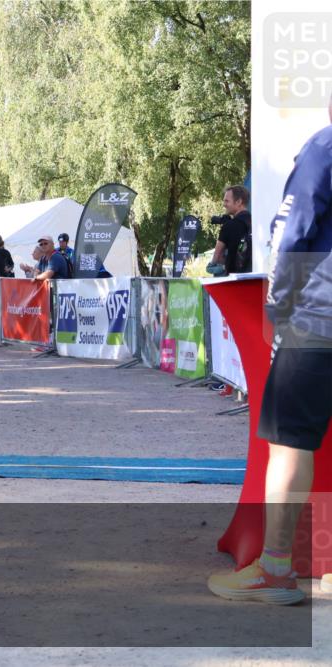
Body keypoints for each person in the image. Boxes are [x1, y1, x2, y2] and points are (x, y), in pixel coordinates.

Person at [207, 105, 332, 606]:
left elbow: (292, 230)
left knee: (288, 442)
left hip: (319, 316)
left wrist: (277, 306)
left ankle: (277, 569)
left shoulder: (325, 145)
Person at [208, 185, 252, 276]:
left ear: (239, 202)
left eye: (227, 201)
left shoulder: (229, 226)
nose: (224, 204)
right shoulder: (255, 223)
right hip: (253, 279)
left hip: (233, 281)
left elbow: (217, 257)